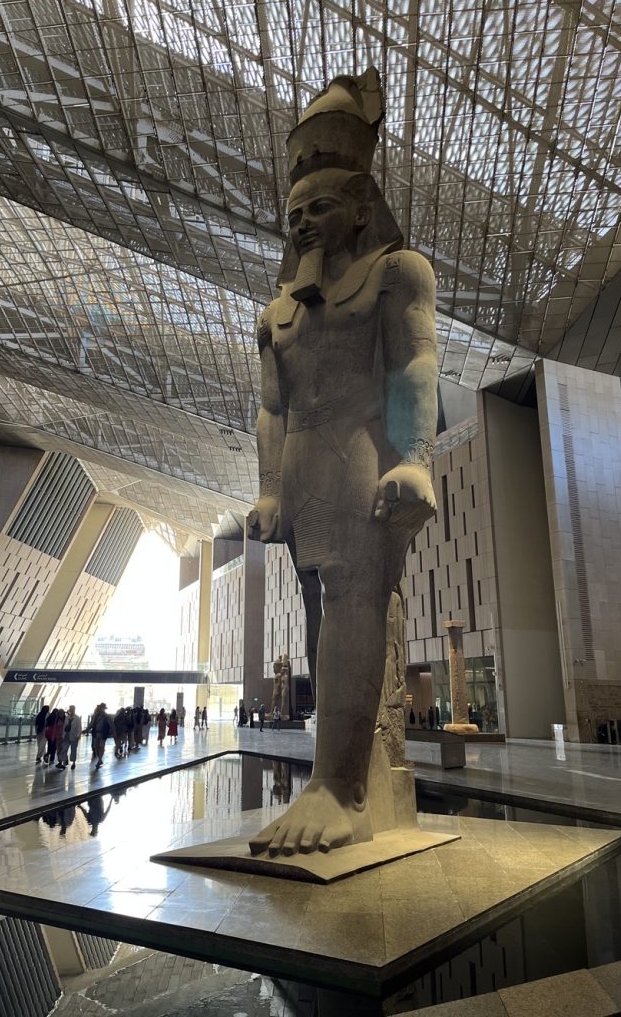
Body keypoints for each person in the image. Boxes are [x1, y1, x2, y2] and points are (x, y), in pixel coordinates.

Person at [247, 69, 437, 857]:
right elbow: (271, 407)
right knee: (320, 616)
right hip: (300, 470)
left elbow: (414, 368)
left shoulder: (396, 274)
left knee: (356, 603)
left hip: (361, 456)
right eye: (295, 214)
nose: (304, 225)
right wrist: (264, 490)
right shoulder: (278, 315)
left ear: (363, 205)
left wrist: (417, 459)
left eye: (321, 208)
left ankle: (342, 790)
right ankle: (334, 774)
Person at [59, 705, 82, 770]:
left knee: (73, 750)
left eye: (72, 709)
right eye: (70, 709)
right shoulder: (67, 718)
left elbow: (79, 728)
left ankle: (73, 763)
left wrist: (78, 735)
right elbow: (64, 727)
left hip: (74, 736)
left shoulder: (77, 718)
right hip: (66, 736)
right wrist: (63, 735)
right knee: (64, 749)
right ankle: (64, 763)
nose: (71, 710)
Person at [90, 703, 112, 768]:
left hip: (103, 733)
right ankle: (99, 758)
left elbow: (110, 724)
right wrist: (87, 729)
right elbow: (92, 723)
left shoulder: (107, 716)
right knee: (96, 746)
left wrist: (113, 731)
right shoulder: (96, 716)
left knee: (101, 746)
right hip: (96, 733)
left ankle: (99, 760)